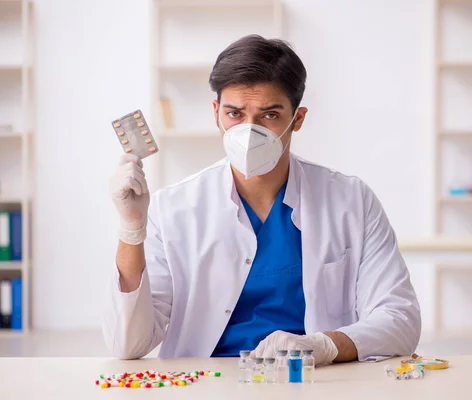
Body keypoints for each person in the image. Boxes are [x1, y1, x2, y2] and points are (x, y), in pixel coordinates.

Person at [103, 34, 421, 365]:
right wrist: (131, 229)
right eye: (235, 114)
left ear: (297, 119)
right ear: (216, 114)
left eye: (269, 115)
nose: (249, 131)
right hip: (208, 385)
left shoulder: (350, 201)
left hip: (315, 378)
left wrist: (324, 345)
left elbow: (400, 319)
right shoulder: (173, 209)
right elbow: (127, 344)